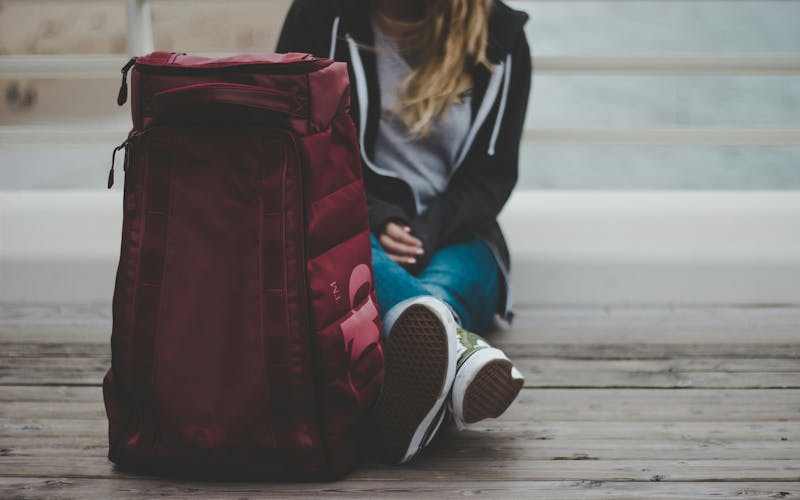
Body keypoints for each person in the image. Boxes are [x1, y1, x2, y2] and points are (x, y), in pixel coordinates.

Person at [277, 0, 531, 465]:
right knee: (346, 255)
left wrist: (428, 229)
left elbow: (492, 177)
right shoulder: (320, 16)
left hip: (459, 232)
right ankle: (459, 358)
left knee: (449, 284)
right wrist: (375, 214)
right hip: (346, 222)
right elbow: (292, 140)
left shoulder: (500, 34)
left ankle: (425, 363)